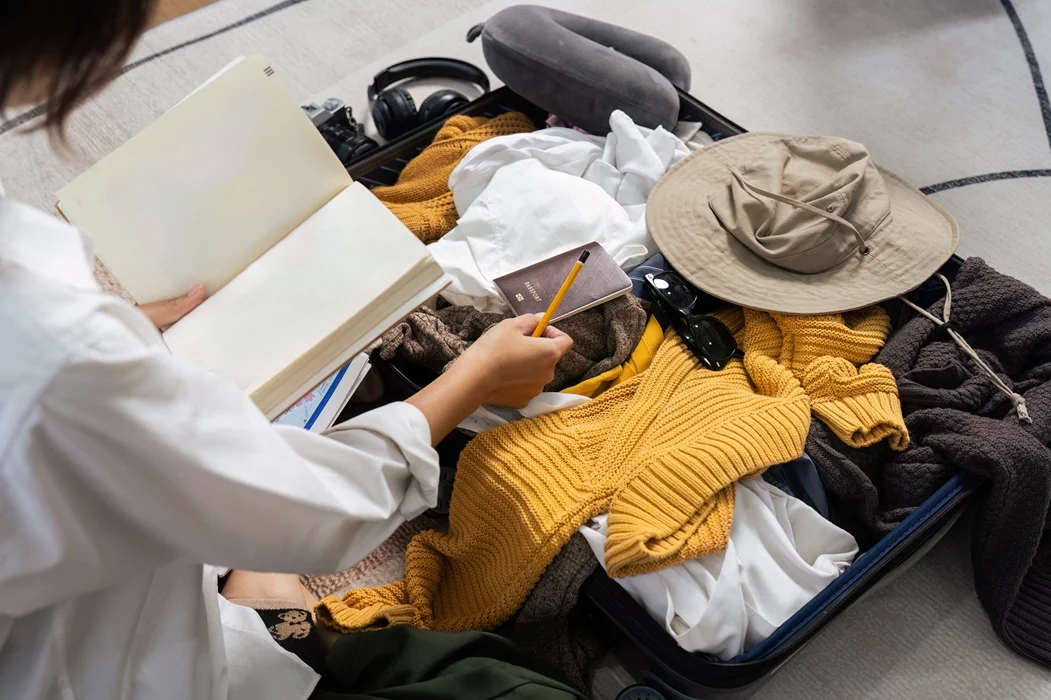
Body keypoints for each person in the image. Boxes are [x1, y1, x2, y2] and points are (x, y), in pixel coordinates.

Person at [0, 3, 580, 699]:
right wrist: (474, 375)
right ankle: (272, 612)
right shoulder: (58, 362)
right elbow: (314, 509)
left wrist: (110, 321)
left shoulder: (53, 338)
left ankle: (265, 608)